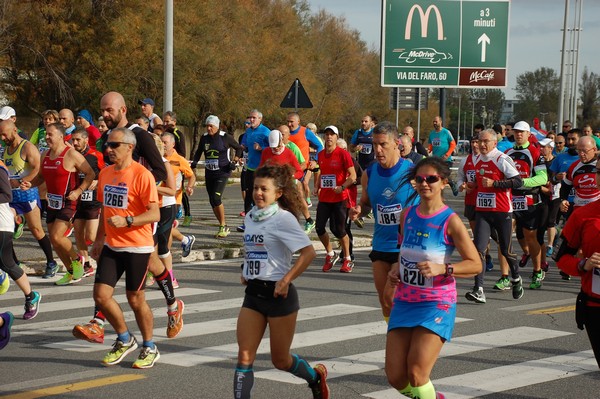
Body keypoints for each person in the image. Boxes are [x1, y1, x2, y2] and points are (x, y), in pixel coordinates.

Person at [72, 91, 182, 345]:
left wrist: (135, 187)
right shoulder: (107, 138)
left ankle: (169, 309)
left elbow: (159, 170)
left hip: (142, 208)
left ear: (122, 110)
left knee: (150, 264)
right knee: (151, 265)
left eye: (109, 110)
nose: (104, 114)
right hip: (116, 210)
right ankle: (170, 306)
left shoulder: (139, 136)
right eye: (102, 110)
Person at [385, 157, 480, 399]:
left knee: (417, 373)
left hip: (436, 302)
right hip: (406, 300)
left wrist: (444, 269)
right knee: (396, 377)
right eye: (419, 179)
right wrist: (396, 269)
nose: (424, 183)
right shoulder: (407, 215)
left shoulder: (451, 221)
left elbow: (475, 264)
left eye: (431, 179)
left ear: (444, 182)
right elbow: (403, 252)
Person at [234, 163, 329, 399]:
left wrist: (286, 280)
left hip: (279, 297)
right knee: (245, 356)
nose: (258, 193)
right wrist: (247, 269)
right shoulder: (250, 217)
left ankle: (315, 378)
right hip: (254, 294)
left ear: (277, 193)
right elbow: (256, 249)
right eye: (255, 188)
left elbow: (308, 253)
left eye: (264, 189)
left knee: (280, 360)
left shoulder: (283, 219)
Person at [89, 127, 160, 368]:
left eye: (114, 145)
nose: (108, 150)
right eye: (107, 145)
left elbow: (154, 213)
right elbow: (104, 210)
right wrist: (99, 239)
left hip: (138, 246)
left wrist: (129, 220)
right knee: (101, 295)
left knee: (135, 299)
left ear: (130, 147)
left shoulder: (142, 175)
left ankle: (150, 346)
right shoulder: (106, 174)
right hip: (112, 244)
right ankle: (124, 338)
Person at [349, 121, 418, 320]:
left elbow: (432, 204)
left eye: (383, 145)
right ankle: (397, 340)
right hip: (380, 245)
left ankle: (408, 338)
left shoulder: (413, 172)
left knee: (392, 298)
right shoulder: (369, 173)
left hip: (406, 247)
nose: (377, 150)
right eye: (375, 144)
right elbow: (367, 203)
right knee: (384, 302)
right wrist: (359, 210)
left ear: (397, 143)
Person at [23, 123, 95, 285]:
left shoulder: (71, 155)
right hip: (53, 203)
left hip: (69, 203)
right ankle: (71, 271)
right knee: (55, 241)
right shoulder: (45, 155)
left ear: (61, 136)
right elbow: (41, 177)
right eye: (46, 134)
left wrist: (79, 190)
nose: (46, 137)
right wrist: (30, 183)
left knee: (57, 236)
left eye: (50, 134)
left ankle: (78, 260)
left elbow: (90, 173)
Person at [466, 129, 524, 303]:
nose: (482, 145)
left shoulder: (501, 159)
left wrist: (495, 183)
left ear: (494, 143)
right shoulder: (477, 159)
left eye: (486, 142)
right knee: (479, 250)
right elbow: (479, 181)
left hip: (501, 212)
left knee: (506, 249)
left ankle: (515, 277)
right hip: (482, 211)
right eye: (480, 141)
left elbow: (518, 181)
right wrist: (473, 184)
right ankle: (479, 289)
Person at [554, 157, 600, 369]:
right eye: (599, 171)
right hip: (595, 307)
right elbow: (561, 258)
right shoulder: (582, 216)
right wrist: (582, 266)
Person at [0, 120, 59, 277]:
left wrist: (22, 181)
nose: (3, 137)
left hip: (28, 195)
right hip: (11, 198)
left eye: (4, 134)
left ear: (14, 130)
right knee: (6, 229)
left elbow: (38, 169)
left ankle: (51, 262)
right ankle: (14, 263)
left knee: (37, 230)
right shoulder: (6, 149)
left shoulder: (27, 147)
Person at [506, 121, 548, 290]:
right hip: (511, 199)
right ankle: (516, 264)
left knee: (531, 236)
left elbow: (542, 178)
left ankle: (537, 271)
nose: (518, 135)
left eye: (522, 132)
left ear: (528, 134)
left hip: (530, 199)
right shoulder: (508, 152)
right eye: (516, 132)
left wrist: (521, 182)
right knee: (509, 233)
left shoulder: (535, 152)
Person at [0, 158, 41, 320]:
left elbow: (6, 194)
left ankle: (31, 296)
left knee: (7, 263)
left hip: (1, 225)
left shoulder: (0, 170)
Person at [314, 125, 356, 272]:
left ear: (337, 137)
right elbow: (321, 172)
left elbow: (353, 176)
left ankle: (347, 258)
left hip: (340, 198)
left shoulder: (343, 154)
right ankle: (331, 254)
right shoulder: (320, 154)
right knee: (319, 227)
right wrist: (316, 186)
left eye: (332, 135)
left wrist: (342, 187)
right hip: (325, 198)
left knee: (339, 229)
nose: (329, 137)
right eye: (327, 134)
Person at [191, 115, 242, 238]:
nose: (208, 128)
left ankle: (223, 225)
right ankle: (222, 225)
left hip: (223, 172)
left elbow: (239, 148)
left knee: (216, 197)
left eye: (211, 126)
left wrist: (234, 162)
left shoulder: (225, 137)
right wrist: (194, 162)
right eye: (207, 126)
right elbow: (199, 151)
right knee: (212, 201)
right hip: (210, 172)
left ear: (217, 126)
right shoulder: (204, 138)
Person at [71, 128, 105, 277]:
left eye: (78, 140)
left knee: (90, 236)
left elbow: (107, 172)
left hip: (93, 200)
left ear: (86, 140)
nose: (75, 143)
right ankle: (86, 264)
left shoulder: (95, 155)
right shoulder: (72, 155)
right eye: (73, 140)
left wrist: (97, 181)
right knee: (78, 233)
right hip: (78, 200)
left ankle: (105, 259)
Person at [162, 132, 196, 257]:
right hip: (159, 199)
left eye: (165, 142)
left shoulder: (179, 160)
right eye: (161, 142)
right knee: (163, 229)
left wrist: (190, 186)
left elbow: (191, 176)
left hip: (174, 199)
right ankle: (185, 240)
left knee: (165, 229)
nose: (163, 145)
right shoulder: (157, 158)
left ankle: (165, 256)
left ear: (173, 144)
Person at [238, 110, 270, 232]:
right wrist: (242, 149)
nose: (251, 120)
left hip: (261, 169)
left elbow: (274, 147)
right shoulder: (248, 131)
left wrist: (262, 148)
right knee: (248, 196)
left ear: (260, 119)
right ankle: (247, 222)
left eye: (254, 118)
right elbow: (245, 145)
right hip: (249, 167)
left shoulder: (266, 132)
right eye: (250, 117)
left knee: (261, 195)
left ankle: (264, 221)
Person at [286, 112, 324, 209]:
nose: (289, 124)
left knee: (298, 189)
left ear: (298, 122)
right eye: (288, 122)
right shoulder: (285, 132)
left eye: (291, 122)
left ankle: (305, 212)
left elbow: (319, 146)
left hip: (302, 166)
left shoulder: (305, 132)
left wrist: (315, 160)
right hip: (287, 167)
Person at [427, 116, 459, 196]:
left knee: (443, 174)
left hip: (446, 159)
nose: (434, 123)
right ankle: (437, 193)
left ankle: (452, 183)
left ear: (440, 122)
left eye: (436, 121)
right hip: (436, 159)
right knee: (437, 176)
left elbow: (453, 144)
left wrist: (447, 154)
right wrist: (429, 149)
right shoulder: (432, 134)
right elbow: (431, 145)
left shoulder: (446, 132)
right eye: (433, 122)